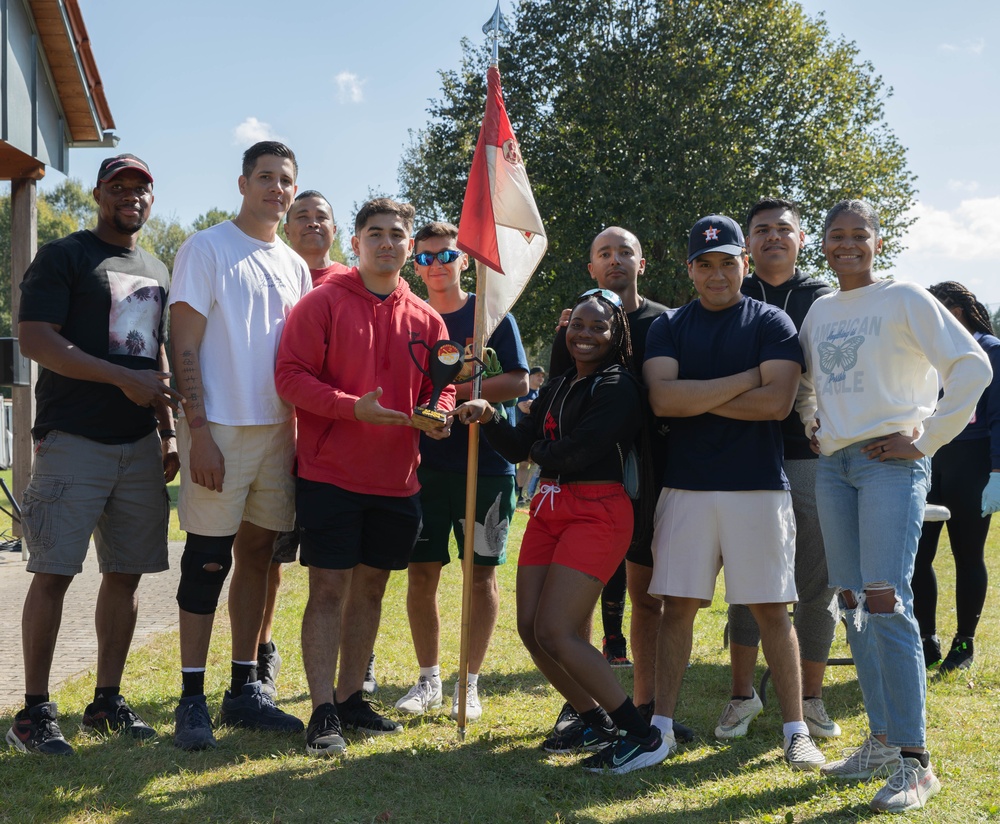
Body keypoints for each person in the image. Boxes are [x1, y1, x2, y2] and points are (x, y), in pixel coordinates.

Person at [796, 200, 991, 812]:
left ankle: (916, 761)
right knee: (852, 603)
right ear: (822, 245)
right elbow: (806, 382)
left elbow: (973, 366)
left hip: (891, 466)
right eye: (836, 236)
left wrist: (925, 436)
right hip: (834, 467)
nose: (847, 244)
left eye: (859, 234)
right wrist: (812, 424)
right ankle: (879, 743)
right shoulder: (821, 310)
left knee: (886, 598)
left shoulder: (906, 297)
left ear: (878, 242)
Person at [451, 288, 672, 774]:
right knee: (531, 629)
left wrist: (539, 452)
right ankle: (594, 719)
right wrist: (489, 415)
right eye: (578, 326)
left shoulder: (620, 387)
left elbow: (578, 451)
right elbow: (519, 446)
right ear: (565, 330)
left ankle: (643, 734)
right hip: (550, 508)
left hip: (599, 511)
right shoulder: (558, 384)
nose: (585, 335)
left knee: (557, 629)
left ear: (616, 335)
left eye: (598, 327)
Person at [6, 154, 182, 755]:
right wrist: (117, 379)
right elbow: (35, 339)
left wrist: (167, 432)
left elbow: (153, 356)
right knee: (53, 572)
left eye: (142, 188)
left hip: (137, 446)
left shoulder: (156, 266)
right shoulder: (64, 256)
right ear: (98, 193)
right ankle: (32, 712)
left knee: (125, 576)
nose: (131, 195)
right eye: (119, 186)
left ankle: (106, 701)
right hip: (72, 440)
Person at [644, 214, 825, 772]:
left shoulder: (772, 321)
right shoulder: (669, 326)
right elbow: (662, 402)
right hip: (687, 487)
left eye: (727, 262)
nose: (717, 274)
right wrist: (748, 379)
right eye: (705, 264)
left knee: (774, 609)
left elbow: (776, 406)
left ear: (744, 264)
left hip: (758, 487)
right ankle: (661, 730)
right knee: (678, 609)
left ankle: (796, 730)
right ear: (690, 269)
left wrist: (693, 396)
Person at [275, 198, 455, 757]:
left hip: (398, 479)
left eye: (396, 235)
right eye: (373, 233)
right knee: (329, 590)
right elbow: (289, 377)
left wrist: (442, 412)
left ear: (408, 247)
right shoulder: (321, 303)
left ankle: (353, 699)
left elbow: (443, 384)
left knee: (372, 590)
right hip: (330, 475)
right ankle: (322, 709)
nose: (385, 243)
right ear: (354, 244)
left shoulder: (427, 318)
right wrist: (352, 408)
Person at [169, 141, 312, 751]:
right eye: (264, 178)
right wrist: (198, 430)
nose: (275, 189)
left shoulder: (295, 264)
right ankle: (192, 698)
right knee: (207, 559)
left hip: (278, 429)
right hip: (218, 429)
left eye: (285, 180)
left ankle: (243, 689)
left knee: (259, 557)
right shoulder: (206, 248)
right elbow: (183, 345)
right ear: (242, 183)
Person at [543, 227, 687, 748]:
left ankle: (645, 706)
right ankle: (582, 709)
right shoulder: (576, 325)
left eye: (625, 251)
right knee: (572, 604)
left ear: (641, 263)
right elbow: (555, 404)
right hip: (585, 485)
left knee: (648, 599)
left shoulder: (667, 322)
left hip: (652, 478)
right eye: (604, 252)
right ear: (592, 267)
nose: (615, 259)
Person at [395, 221, 528, 723]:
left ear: (464, 259)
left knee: (481, 576)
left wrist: (464, 397)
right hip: (424, 465)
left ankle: (468, 686)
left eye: (445, 255)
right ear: (415, 265)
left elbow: (517, 380)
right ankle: (429, 680)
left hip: (486, 462)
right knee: (422, 573)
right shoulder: (410, 316)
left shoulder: (490, 314)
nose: (435, 266)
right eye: (424, 258)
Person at [722, 198, 840, 741]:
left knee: (818, 583)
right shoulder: (728, 291)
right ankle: (741, 697)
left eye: (782, 230)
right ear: (746, 243)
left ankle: (810, 699)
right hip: (744, 456)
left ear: (800, 239)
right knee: (750, 583)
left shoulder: (823, 299)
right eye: (761, 230)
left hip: (810, 455)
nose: (772, 237)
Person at [255, 189, 352, 698]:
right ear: (287, 227)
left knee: (342, 565)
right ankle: (259, 658)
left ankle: (360, 662)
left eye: (322, 217)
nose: (312, 224)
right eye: (302, 217)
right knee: (268, 556)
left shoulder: (355, 285)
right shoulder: (269, 273)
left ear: (336, 231)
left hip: (334, 449)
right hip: (274, 439)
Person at [913, 281, 1000, 673]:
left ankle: (964, 643)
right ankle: (925, 637)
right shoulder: (927, 354)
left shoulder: (990, 351)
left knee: (968, 555)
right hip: (929, 458)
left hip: (974, 463)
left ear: (959, 311)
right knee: (916, 555)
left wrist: (997, 472)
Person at [514, 367, 545, 504]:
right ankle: (520, 494)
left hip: (539, 435)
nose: (541, 378)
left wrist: (535, 405)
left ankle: (530, 495)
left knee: (536, 467)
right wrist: (537, 406)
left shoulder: (542, 394)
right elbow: (524, 407)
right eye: (538, 375)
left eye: (542, 376)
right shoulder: (524, 392)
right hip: (524, 434)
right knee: (523, 464)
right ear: (530, 376)